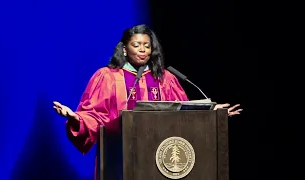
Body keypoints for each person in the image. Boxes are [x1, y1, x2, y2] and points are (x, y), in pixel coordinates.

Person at [53, 24, 242, 179]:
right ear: (125, 50)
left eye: (147, 45)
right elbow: (96, 116)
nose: (142, 50)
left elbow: (183, 112)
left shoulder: (165, 78)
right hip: (121, 156)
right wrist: (77, 118)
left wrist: (211, 110)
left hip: (162, 156)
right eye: (136, 45)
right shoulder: (107, 77)